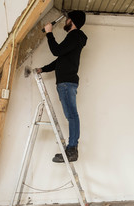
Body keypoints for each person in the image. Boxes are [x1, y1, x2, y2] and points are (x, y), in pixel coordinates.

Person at [36, 10, 87, 163]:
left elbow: (56, 51)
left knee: (72, 115)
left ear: (73, 21)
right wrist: (43, 69)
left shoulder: (75, 36)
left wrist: (49, 33)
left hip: (66, 83)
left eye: (67, 19)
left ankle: (72, 150)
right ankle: (71, 148)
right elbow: (60, 59)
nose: (65, 22)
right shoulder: (73, 39)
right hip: (66, 83)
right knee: (72, 115)